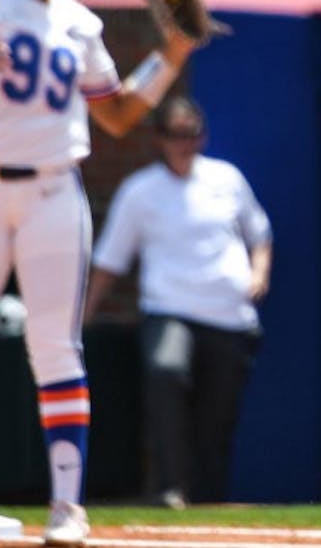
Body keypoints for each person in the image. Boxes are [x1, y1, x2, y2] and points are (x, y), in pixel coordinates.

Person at [0, 0, 200, 546]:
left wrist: (171, 56)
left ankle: (67, 506)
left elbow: (118, 114)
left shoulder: (77, 21)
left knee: (56, 345)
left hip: (53, 190)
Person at [84, 97, 272, 510]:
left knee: (218, 412)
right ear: (159, 139)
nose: (185, 143)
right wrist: (85, 316)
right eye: (175, 135)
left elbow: (260, 234)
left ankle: (209, 499)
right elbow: (110, 260)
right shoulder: (140, 191)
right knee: (165, 372)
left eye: (192, 134)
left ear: (203, 137)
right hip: (168, 309)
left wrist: (259, 274)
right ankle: (170, 487)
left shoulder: (227, 178)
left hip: (229, 315)